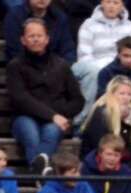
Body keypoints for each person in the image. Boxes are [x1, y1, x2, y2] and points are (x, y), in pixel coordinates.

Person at [9, 18, 84, 173]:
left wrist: (61, 114)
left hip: (55, 120)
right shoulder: (15, 66)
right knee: (31, 135)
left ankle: (37, 174)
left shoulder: (61, 65)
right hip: (24, 117)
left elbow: (78, 100)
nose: (36, 39)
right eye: (31, 36)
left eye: (39, 35)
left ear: (47, 39)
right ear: (23, 40)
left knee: (51, 131)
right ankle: (42, 175)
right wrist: (52, 115)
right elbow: (20, 98)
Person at [74, 0, 131, 120]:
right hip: (92, 67)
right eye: (108, 2)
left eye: (116, 3)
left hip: (119, 67)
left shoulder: (130, 27)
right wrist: (105, 70)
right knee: (94, 73)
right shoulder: (88, 25)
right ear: (102, 3)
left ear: (122, 5)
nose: (111, 6)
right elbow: (84, 56)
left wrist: (116, 68)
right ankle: (83, 120)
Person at [79, 73, 131, 158]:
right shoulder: (101, 113)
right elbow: (98, 145)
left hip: (122, 157)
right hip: (98, 159)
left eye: (129, 94)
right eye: (122, 93)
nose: (126, 98)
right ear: (112, 94)